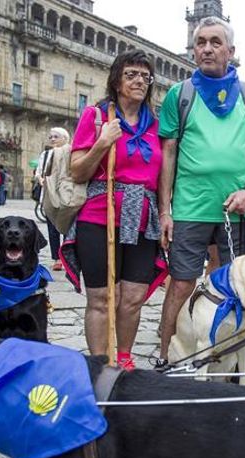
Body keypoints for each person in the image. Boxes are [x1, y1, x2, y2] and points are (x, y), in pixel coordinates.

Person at [156, 16, 245, 371]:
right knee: (180, 284)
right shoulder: (180, 95)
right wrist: (165, 211)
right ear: (193, 50)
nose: (207, 48)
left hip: (240, 210)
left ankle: (236, 362)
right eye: (201, 42)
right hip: (190, 209)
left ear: (231, 51)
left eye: (215, 42)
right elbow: (169, 154)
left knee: (241, 287)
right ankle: (165, 354)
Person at [63, 50, 163, 371]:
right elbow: (77, 170)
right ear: (117, 79)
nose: (139, 81)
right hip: (98, 216)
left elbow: (162, 175)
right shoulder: (95, 116)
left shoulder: (156, 125)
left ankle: (124, 358)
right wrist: (102, 142)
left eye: (145, 76)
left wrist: (165, 213)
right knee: (101, 299)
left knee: (132, 299)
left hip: (143, 218)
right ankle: (99, 363)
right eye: (131, 74)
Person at [36, 127, 70, 271]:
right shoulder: (46, 154)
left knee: (68, 229)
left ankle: (67, 258)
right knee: (52, 228)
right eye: (50, 137)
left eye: (56, 136)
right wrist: (40, 179)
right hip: (49, 194)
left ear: (65, 138)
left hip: (66, 195)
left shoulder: (70, 152)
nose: (52, 139)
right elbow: (38, 172)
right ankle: (56, 258)